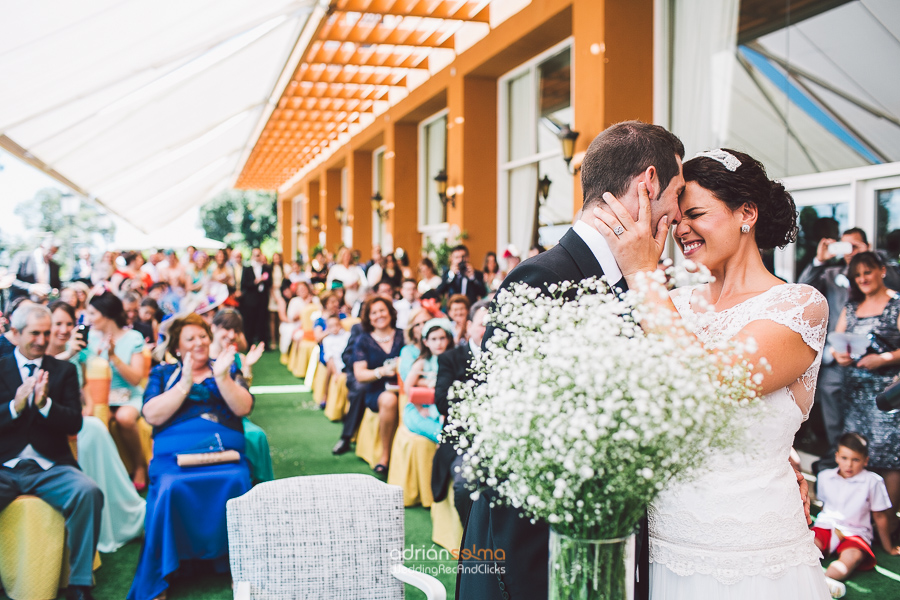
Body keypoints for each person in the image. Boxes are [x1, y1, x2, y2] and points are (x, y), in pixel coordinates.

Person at [458, 121, 687, 600]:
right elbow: (510, 450)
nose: (680, 214)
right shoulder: (541, 277)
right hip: (535, 562)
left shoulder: (638, 280)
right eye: (678, 193)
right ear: (648, 184)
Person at [593, 147, 829, 598]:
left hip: (752, 551)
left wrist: (644, 273)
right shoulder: (675, 304)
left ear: (747, 213)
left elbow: (706, 384)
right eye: (677, 216)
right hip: (661, 540)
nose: (680, 228)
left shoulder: (799, 306)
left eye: (695, 213)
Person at [128, 313, 253, 600]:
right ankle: (163, 571)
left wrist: (222, 377)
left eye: (203, 336)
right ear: (178, 346)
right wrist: (184, 382)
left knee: (237, 480)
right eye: (191, 338)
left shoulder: (226, 366)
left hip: (226, 453)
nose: (199, 342)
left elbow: (243, 408)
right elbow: (151, 414)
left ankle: (240, 567)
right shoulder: (162, 373)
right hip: (174, 456)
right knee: (171, 486)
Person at [0, 303, 103, 600]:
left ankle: (80, 583)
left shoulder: (64, 371)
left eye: (46, 333)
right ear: (15, 333)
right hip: (5, 466)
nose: (42, 340)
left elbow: (75, 422)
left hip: (51, 466)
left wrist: (45, 405)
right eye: (35, 333)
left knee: (89, 492)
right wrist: (14, 407)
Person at [47, 301, 146, 554]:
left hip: (92, 412)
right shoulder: (48, 353)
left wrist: (88, 404)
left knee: (95, 429)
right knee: (93, 431)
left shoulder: (80, 351)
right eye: (58, 323)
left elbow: (82, 386)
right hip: (53, 424)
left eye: (69, 323)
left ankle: (122, 508)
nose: (64, 329)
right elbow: (46, 374)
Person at [799, 228, 900, 468]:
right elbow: (803, 289)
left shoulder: (882, 275)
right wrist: (819, 261)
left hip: (881, 376)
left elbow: (891, 285)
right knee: (838, 423)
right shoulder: (831, 272)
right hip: (839, 364)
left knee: (884, 440)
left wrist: (869, 256)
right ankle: (841, 467)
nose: (862, 277)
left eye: (854, 246)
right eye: (844, 246)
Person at [832, 250, 900, 530]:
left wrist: (885, 358)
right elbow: (836, 344)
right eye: (857, 275)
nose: (863, 279)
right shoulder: (851, 307)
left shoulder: (897, 304)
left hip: (886, 393)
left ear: (881, 270)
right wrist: (841, 356)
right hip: (855, 393)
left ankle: (889, 524)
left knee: (889, 457)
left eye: (867, 272)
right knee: (859, 452)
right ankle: (861, 521)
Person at [813, 432, 898, 597]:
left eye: (855, 460)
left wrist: (888, 547)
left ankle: (825, 581)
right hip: (826, 526)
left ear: (865, 461)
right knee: (810, 547)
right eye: (844, 458)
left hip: (856, 533)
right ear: (837, 457)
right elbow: (824, 504)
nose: (849, 465)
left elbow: (880, 516)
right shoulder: (824, 477)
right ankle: (804, 578)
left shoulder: (873, 481)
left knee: (851, 557)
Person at [83, 290, 149, 490]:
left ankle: (139, 466)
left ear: (106, 314)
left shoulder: (133, 338)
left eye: (93, 313)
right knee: (97, 421)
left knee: (125, 418)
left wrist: (113, 357)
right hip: (99, 396)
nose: (89, 319)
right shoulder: (90, 339)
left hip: (128, 394)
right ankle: (106, 473)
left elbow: (136, 379)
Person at [433, 304, 487, 525]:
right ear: (469, 326)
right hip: (463, 436)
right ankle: (472, 541)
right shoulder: (450, 358)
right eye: (483, 324)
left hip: (503, 436)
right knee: (465, 483)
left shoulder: (510, 355)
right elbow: (442, 402)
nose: (488, 329)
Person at [350, 297, 404, 474]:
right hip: (377, 390)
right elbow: (360, 374)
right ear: (368, 317)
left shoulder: (404, 335)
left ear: (390, 312)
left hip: (405, 388)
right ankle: (385, 455)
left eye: (382, 310)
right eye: (374, 312)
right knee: (389, 400)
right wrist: (382, 371)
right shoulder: (363, 340)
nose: (379, 315)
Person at [403, 318, 454, 443]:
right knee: (442, 435)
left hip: (444, 409)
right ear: (426, 342)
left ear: (448, 339)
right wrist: (420, 409)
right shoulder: (422, 362)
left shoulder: (453, 360)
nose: (438, 343)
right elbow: (407, 387)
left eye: (442, 338)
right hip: (420, 410)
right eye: (434, 339)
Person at [240, 248, 272, 346]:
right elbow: (244, 284)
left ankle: (265, 343)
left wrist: (264, 281)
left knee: (263, 320)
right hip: (250, 299)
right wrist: (256, 282)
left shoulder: (266, 268)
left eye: (259, 255)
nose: (257, 257)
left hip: (262, 298)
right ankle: (249, 343)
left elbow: (270, 282)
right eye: (255, 255)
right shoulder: (247, 269)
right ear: (252, 256)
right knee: (250, 321)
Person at [268, 252, 285, 345]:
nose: (276, 260)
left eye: (277, 258)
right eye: (274, 258)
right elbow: (269, 284)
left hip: (281, 293)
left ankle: (280, 338)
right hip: (273, 294)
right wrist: (273, 296)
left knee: (280, 317)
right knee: (272, 318)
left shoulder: (283, 269)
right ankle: (273, 340)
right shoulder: (270, 269)